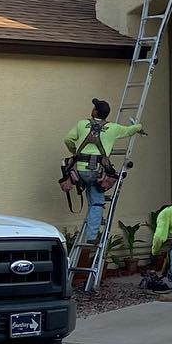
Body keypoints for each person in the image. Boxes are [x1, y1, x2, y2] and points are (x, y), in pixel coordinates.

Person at [63, 98, 143, 241]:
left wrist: (75, 152)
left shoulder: (82, 124)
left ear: (95, 111)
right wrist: (139, 126)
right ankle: (92, 236)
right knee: (97, 203)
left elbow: (68, 139)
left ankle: (89, 229)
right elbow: (130, 130)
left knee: (91, 197)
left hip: (79, 172)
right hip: (98, 172)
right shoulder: (113, 128)